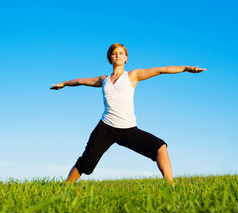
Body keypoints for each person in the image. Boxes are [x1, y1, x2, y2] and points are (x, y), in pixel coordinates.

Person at [51, 43, 206, 184]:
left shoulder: (132, 76)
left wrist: (186, 68)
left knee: (160, 147)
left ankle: (170, 186)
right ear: (110, 58)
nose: (117, 55)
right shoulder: (103, 80)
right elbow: (81, 81)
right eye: (114, 53)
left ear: (125, 58)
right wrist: (64, 84)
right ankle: (64, 188)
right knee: (86, 162)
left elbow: (160, 70)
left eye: (121, 53)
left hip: (128, 129)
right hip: (104, 128)